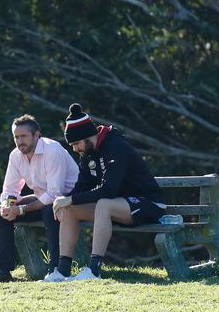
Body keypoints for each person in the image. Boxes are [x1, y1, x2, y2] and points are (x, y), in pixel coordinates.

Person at [45, 103, 165, 282]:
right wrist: (68, 200)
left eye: (76, 143)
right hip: (118, 205)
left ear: (87, 136)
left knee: (103, 203)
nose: (75, 149)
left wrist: (70, 198)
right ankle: (62, 271)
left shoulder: (116, 145)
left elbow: (108, 190)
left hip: (148, 204)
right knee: (70, 208)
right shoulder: (88, 154)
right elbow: (82, 185)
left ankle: (94, 271)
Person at [0, 114, 80, 282]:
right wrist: (9, 206)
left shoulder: (53, 151)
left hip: (71, 202)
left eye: (23, 136)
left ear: (37, 135)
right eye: (16, 137)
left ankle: (56, 270)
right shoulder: (15, 155)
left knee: (49, 210)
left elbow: (54, 194)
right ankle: (3, 271)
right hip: (45, 199)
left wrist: (20, 209)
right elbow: (10, 189)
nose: (19, 141)